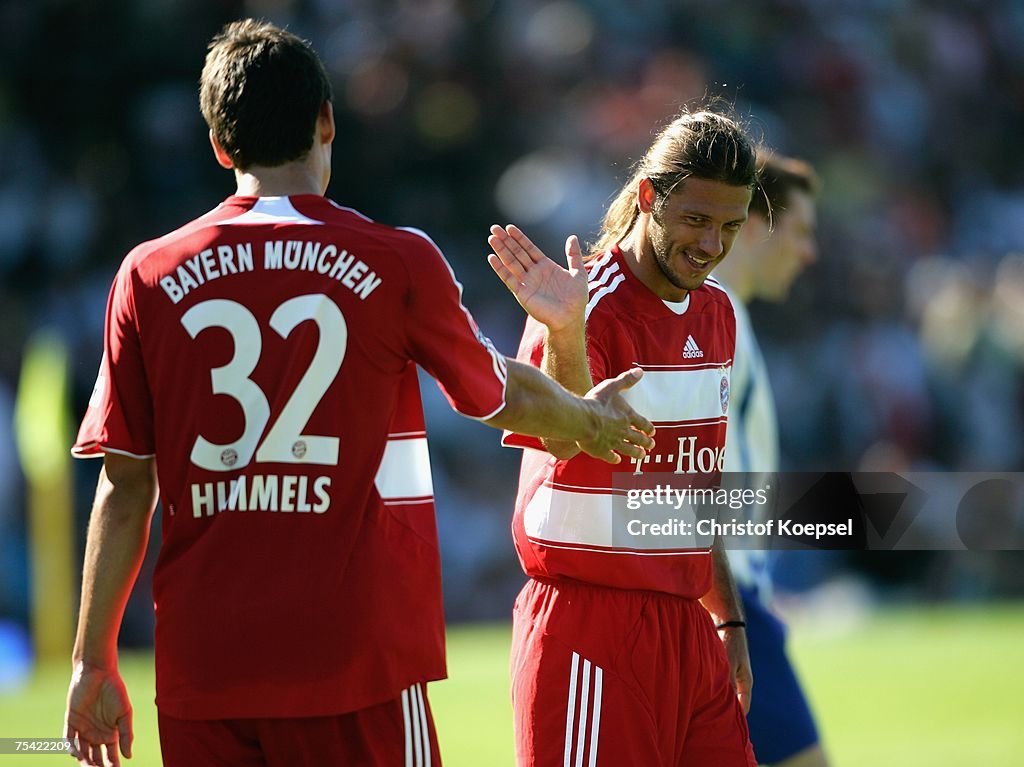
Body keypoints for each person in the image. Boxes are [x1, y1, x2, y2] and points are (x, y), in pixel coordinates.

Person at [62, 19, 655, 767]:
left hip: (206, 660)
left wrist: (91, 660)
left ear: (219, 144)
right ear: (326, 121)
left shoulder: (145, 275)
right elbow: (496, 393)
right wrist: (591, 420)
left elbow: (124, 482)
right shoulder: (394, 259)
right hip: (357, 655)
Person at [489, 107, 760, 766]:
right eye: (696, 220)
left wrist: (727, 618)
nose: (710, 244)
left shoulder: (718, 310)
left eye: (729, 226)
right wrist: (563, 332)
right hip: (591, 626)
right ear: (647, 198)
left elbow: (698, 491)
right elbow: (561, 440)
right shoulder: (583, 302)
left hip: (687, 632)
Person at [712, 151, 829, 767]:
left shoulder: (727, 315)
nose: (809, 253)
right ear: (756, 224)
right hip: (729, 612)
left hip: (732, 600)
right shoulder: (716, 315)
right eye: (803, 232)